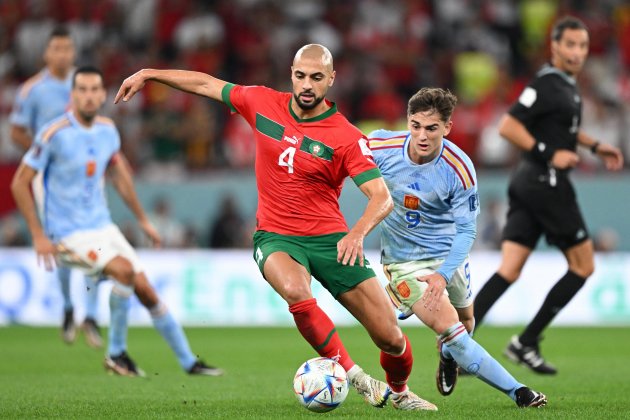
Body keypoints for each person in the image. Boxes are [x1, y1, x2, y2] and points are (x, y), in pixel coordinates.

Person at [115, 44, 436, 411]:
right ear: (291, 74)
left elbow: (381, 196)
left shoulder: (346, 137)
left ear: (331, 80)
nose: (307, 85)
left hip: (333, 240)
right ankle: (356, 377)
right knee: (296, 292)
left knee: (391, 338)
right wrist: (149, 74)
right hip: (276, 236)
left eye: (316, 77)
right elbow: (205, 83)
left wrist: (357, 232)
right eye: (301, 76)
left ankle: (400, 392)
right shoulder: (261, 102)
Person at [11, 65, 223, 377]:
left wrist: (142, 219)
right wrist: (38, 234)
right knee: (123, 271)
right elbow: (20, 182)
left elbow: (120, 176)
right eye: (81, 90)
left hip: (103, 227)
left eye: (94, 89)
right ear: (72, 96)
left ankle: (189, 362)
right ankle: (116, 354)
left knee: (146, 290)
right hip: (68, 234)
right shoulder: (53, 134)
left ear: (102, 95)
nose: (88, 96)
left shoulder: (108, 130)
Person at [369, 87, 547, 408]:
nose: (422, 135)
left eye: (432, 128)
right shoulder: (381, 145)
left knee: (467, 324)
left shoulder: (459, 168)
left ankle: (448, 357)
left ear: (447, 128)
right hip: (404, 262)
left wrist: (444, 273)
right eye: (415, 125)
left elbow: (467, 230)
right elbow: (339, 152)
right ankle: (518, 391)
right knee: (453, 331)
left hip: (448, 254)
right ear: (407, 121)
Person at [473, 16, 624, 374]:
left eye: (582, 46)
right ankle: (526, 342)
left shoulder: (566, 86)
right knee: (583, 265)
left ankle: (458, 342)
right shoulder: (547, 84)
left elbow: (562, 131)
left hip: (527, 183)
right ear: (555, 47)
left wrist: (595, 145)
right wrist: (548, 152)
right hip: (547, 181)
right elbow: (509, 125)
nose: (576, 52)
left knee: (509, 269)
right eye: (570, 44)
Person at [9, 26, 103, 348]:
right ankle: (67, 306)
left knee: (97, 237)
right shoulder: (32, 90)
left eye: (67, 48)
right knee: (62, 245)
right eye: (57, 49)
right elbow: (17, 131)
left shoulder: (85, 82)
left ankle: (90, 314)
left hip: (87, 174)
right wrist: (45, 154)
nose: (63, 54)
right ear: (46, 54)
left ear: (74, 52)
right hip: (51, 177)